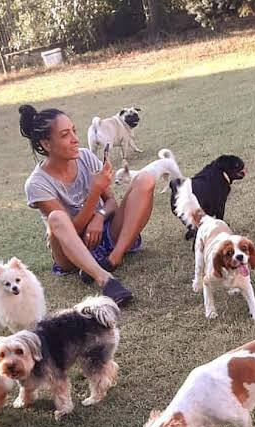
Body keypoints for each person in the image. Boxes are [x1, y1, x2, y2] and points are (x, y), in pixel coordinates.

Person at [20, 104, 157, 306]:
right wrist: (94, 193)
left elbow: (111, 203)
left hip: (103, 234)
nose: (75, 139)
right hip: (70, 251)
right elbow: (69, 230)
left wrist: (99, 216)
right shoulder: (36, 184)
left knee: (145, 179)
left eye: (74, 131)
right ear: (47, 144)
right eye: (65, 135)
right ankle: (105, 280)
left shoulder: (85, 157)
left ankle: (114, 258)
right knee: (56, 218)